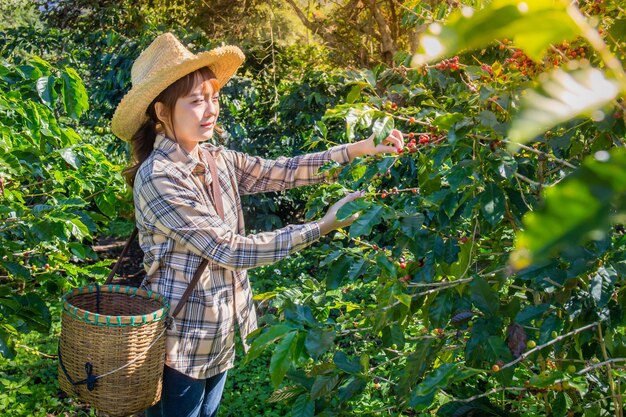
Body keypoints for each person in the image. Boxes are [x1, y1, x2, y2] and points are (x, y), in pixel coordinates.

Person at [111, 32, 404, 417]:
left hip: (220, 332)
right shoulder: (159, 177)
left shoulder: (215, 159)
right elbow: (229, 249)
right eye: (196, 101)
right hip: (179, 340)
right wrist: (322, 226)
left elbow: (280, 171)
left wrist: (357, 149)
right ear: (162, 112)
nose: (210, 109)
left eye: (213, 97)